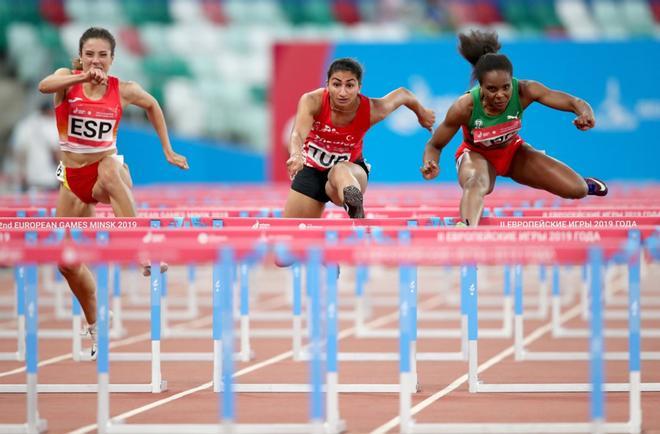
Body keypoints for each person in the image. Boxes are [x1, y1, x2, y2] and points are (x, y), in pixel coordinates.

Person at [38, 27, 189, 359]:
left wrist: (167, 150)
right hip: (72, 179)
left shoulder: (122, 90)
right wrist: (78, 78)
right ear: (81, 57)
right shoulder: (66, 79)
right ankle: (96, 322)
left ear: (112, 59)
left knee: (109, 166)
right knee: (66, 262)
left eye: (103, 55)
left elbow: (152, 105)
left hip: (107, 174)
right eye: (90, 54)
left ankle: (142, 249)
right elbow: (43, 85)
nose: (96, 61)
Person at [420, 30, 607, 226]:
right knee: (475, 183)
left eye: (506, 87)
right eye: (492, 89)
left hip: (513, 153)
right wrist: (430, 163)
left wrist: (585, 114)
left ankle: (583, 183)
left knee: (577, 190)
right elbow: (435, 145)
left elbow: (574, 102)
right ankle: (466, 230)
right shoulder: (464, 106)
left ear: (512, 82)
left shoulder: (526, 90)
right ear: (480, 86)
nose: (500, 95)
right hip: (476, 155)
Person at [284, 58, 436, 218]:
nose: (342, 92)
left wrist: (422, 113)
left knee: (339, 169)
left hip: (349, 174)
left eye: (349, 85)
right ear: (327, 84)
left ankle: (355, 207)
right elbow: (298, 134)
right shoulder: (312, 101)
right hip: (311, 170)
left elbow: (403, 94)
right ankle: (354, 209)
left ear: (359, 87)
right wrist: (296, 154)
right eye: (336, 84)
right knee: (292, 228)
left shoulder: (371, 109)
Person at [10, 101, 60, 193]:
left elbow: (18, 151)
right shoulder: (51, 124)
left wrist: (21, 172)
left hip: (30, 177)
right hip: (49, 177)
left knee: (32, 205)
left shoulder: (25, 124)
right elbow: (57, 153)